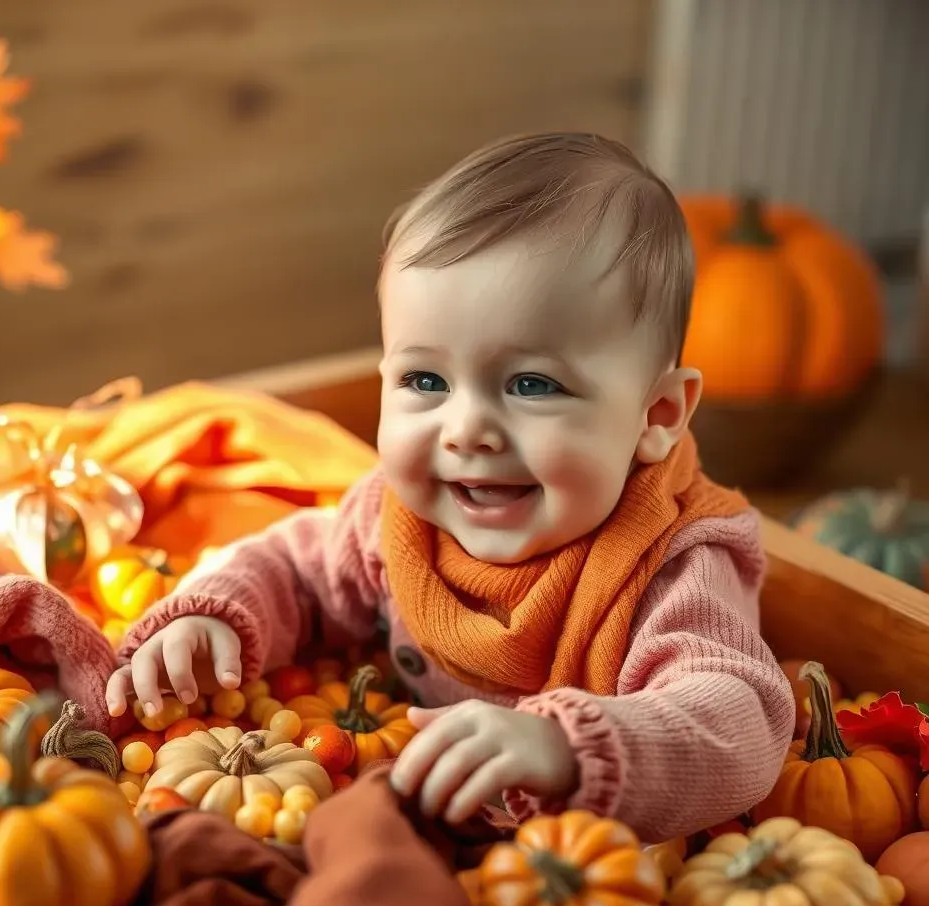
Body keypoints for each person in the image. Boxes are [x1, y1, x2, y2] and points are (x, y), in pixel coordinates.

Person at [106, 132, 793, 842]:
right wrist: (216, 616)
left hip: (561, 874)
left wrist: (568, 750)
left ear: (656, 417)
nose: (466, 430)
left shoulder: (672, 561)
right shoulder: (399, 515)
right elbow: (297, 570)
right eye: (425, 381)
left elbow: (738, 718)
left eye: (531, 384)